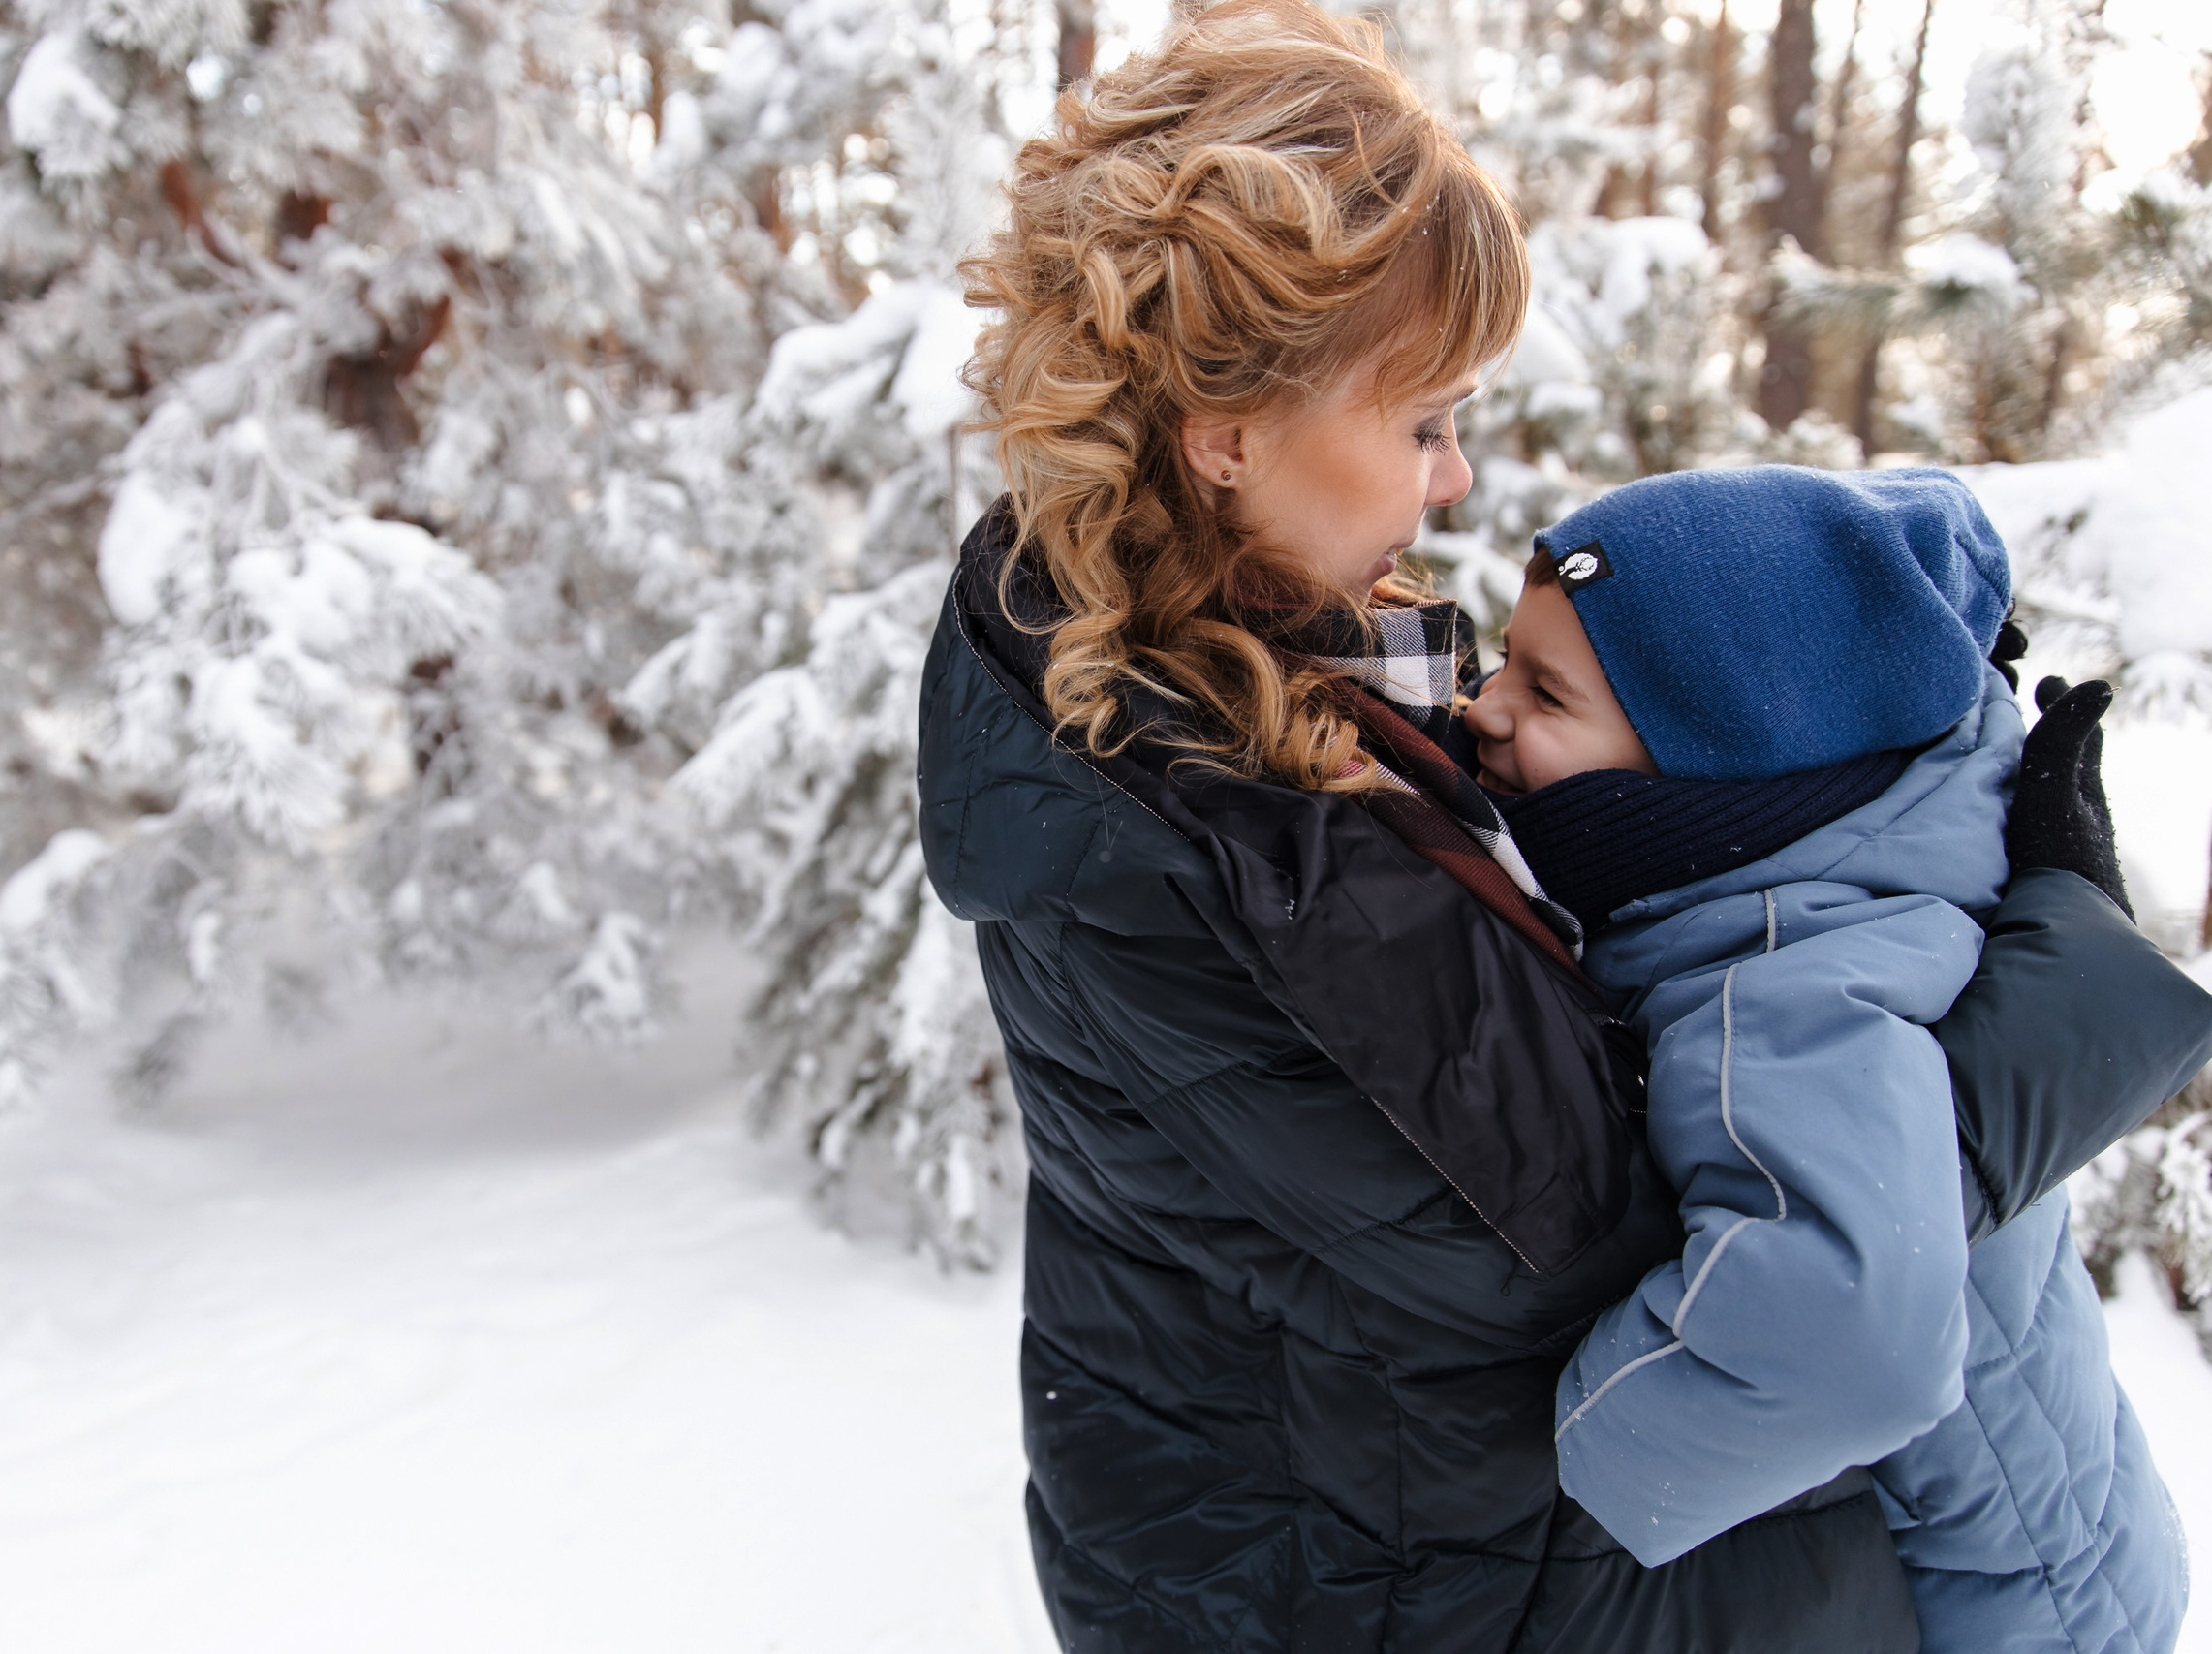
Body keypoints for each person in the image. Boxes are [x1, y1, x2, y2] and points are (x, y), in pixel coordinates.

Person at [921, 3, 2212, 1647]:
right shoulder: (1192, 832)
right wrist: (2048, 1005)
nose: (1455, 481)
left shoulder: (1246, 679)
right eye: (1423, 422)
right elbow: (1655, 1254)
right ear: (1230, 432)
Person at [1465, 465, 2193, 1653]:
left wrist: (1575, 1452)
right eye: (1506, 660)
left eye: (1544, 692)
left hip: (1993, 1607)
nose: (1483, 709)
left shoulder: (1784, 984)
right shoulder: (1838, 868)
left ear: (1722, 763)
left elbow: (1851, 1350)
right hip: (2045, 1549)